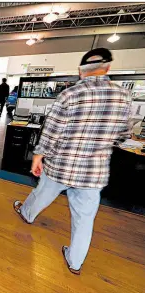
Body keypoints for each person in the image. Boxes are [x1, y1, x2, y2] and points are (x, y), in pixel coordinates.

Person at [13, 48, 131, 275]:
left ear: (81, 71)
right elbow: (123, 134)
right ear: (108, 68)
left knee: (42, 194)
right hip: (94, 172)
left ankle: (27, 215)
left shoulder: (70, 95)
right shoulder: (123, 96)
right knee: (85, 218)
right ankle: (75, 262)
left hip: (61, 166)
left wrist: (38, 155)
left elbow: (52, 131)